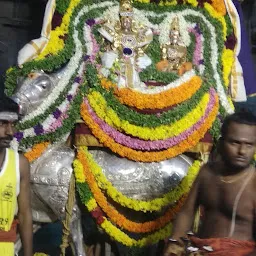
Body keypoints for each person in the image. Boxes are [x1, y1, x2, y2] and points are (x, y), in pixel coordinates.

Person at [163, 111, 256, 256]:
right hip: (201, 249)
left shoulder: (253, 183)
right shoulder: (207, 173)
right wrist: (175, 242)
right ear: (221, 143)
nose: (242, 151)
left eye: (249, 145)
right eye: (235, 142)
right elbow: (187, 212)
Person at [0, 96, 33, 255]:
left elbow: (25, 214)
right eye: (2, 124)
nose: (10, 132)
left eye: (12, 125)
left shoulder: (19, 164)